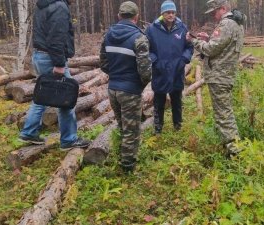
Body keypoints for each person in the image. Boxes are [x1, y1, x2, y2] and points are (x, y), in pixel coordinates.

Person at [18, 0, 90, 151]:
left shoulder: (44, 4)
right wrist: (58, 64)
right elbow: (56, 37)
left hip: (40, 55)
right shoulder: (59, 7)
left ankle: (29, 132)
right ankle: (69, 140)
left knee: (43, 95)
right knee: (66, 97)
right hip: (51, 58)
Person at [186, 0, 245, 157]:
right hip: (225, 75)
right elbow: (223, 47)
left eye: (214, 12)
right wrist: (208, 38)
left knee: (224, 116)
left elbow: (211, 49)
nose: (213, 15)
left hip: (219, 76)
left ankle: (235, 153)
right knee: (224, 113)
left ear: (223, 8)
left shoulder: (226, 24)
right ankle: (230, 148)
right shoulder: (237, 23)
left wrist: (194, 41)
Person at [100, 1, 152, 173]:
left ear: (119, 16)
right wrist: (138, 84)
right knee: (132, 131)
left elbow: (103, 63)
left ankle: (121, 157)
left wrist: (116, 75)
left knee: (122, 126)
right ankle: (128, 168)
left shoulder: (107, 35)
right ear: (136, 17)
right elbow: (145, 71)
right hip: (130, 91)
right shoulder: (139, 38)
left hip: (113, 89)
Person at [145, 0, 194, 135]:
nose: (171, 15)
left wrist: (184, 59)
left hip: (177, 71)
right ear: (162, 13)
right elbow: (146, 49)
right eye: (168, 12)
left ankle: (178, 126)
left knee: (177, 101)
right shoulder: (152, 29)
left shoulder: (182, 28)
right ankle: (158, 128)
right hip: (160, 71)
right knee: (159, 102)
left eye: (173, 12)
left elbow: (189, 47)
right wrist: (155, 61)